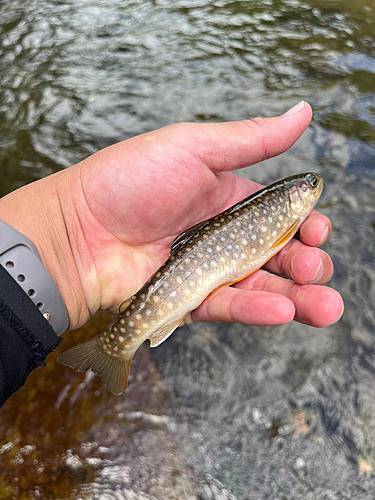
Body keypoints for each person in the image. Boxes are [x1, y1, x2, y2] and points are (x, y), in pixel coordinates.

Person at [0, 101, 344, 405]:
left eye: (311, 185)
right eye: (310, 185)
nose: (314, 186)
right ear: (294, 196)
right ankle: (114, 348)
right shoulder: (286, 218)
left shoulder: (283, 212)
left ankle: (118, 344)